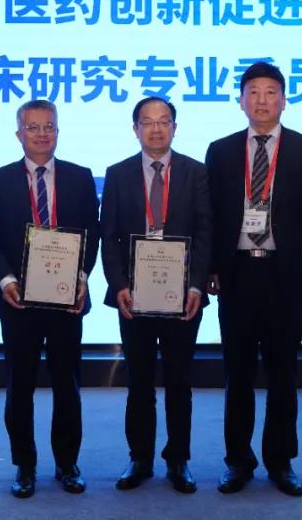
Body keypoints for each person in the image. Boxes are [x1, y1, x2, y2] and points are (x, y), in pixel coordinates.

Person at [204, 61, 302, 497]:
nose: (261, 100)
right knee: (237, 374)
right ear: (240, 101)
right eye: (253, 92)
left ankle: (280, 461)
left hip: (286, 277)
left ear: (284, 100)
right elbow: (210, 216)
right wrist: (210, 269)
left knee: (282, 373)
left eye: (270, 92)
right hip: (237, 274)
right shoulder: (221, 150)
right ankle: (237, 461)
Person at [0, 99, 100, 498]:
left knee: (68, 384)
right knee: (20, 386)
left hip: (66, 300)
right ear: (19, 134)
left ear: (58, 132)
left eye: (49, 127)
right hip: (17, 301)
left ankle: (67, 463)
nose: (42, 134)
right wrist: (5, 279)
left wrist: (82, 276)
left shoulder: (80, 178)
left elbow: (92, 234)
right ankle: (24, 465)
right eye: (33, 127)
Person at [100, 96, 212, 494]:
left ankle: (178, 459)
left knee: (180, 380)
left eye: (164, 121)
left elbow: (206, 233)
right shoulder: (118, 174)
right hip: (135, 295)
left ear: (175, 128)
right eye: (147, 122)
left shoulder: (196, 172)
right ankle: (140, 458)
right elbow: (109, 237)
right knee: (140, 381)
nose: (156, 128)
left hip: (183, 295)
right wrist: (119, 285)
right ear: (135, 129)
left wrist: (196, 284)